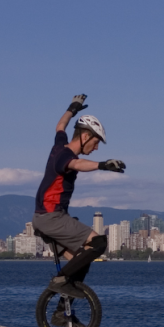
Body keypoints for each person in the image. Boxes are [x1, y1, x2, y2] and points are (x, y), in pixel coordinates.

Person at [32, 94, 126, 305]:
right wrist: (102, 165)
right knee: (99, 243)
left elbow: (60, 125)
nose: (96, 148)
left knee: (81, 261)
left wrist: (72, 108)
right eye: (95, 142)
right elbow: (78, 165)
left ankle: (60, 313)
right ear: (84, 136)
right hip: (51, 217)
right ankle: (61, 280)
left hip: (46, 218)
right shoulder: (65, 157)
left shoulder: (59, 145)